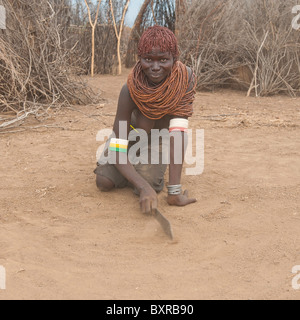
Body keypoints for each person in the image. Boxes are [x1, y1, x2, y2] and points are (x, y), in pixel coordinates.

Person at [94, 25, 197, 215]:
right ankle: (131, 170)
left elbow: (178, 134)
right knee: (104, 182)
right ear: (139, 58)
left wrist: (174, 192)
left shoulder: (184, 80)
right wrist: (142, 187)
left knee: (151, 181)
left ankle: (135, 171)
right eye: (148, 59)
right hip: (132, 133)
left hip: (161, 138)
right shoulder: (130, 89)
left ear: (175, 58)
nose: (155, 67)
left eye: (163, 59)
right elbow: (118, 147)